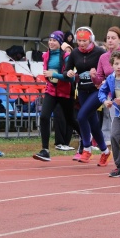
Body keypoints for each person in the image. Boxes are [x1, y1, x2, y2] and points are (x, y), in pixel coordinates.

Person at [65, 27, 111, 165]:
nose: (81, 43)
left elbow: (108, 70)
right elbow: (67, 69)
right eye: (79, 40)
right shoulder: (74, 53)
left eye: (84, 40)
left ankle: (87, 148)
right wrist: (69, 73)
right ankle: (105, 152)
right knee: (93, 123)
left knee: (81, 116)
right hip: (83, 90)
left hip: (97, 90)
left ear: (90, 39)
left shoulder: (100, 52)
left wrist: (97, 74)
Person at [32, 31, 80, 161]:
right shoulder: (46, 55)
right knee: (44, 117)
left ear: (60, 43)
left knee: (70, 120)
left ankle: (87, 139)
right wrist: (49, 77)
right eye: (50, 40)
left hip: (65, 93)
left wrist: (54, 75)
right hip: (51, 91)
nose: (51, 42)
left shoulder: (65, 57)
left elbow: (71, 79)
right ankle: (45, 150)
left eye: (54, 40)